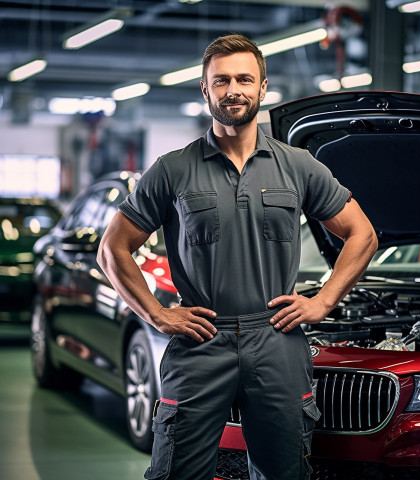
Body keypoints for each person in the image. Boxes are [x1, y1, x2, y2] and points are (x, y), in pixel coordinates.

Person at [97, 33, 378, 480]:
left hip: (276, 340)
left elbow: (361, 234)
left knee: (284, 472)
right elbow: (112, 248)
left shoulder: (299, 165)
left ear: (262, 88)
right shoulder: (173, 169)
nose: (234, 90)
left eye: (245, 79)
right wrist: (156, 314)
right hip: (200, 342)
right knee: (177, 472)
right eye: (221, 80)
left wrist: (323, 301)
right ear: (205, 89)